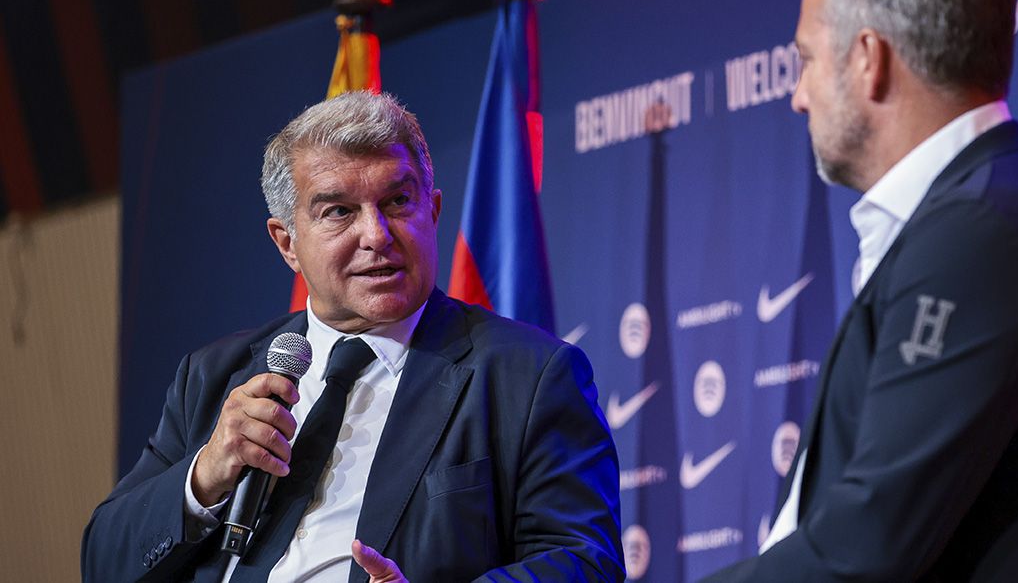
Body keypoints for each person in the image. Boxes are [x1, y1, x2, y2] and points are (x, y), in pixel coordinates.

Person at [705, 0, 1018, 581]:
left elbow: (864, 547)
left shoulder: (984, 232)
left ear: (869, 60)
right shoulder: (969, 219)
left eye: (806, 61)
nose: (797, 96)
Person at [82, 91, 625, 582]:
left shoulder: (527, 375)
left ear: (433, 211)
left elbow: (585, 561)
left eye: (397, 202)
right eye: (339, 211)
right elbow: (103, 563)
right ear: (287, 244)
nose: (376, 234)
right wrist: (204, 477)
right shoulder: (213, 375)